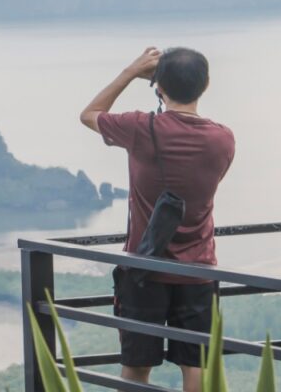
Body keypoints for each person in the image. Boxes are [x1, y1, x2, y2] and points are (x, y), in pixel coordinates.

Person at [80, 46, 235, 392]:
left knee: (136, 369)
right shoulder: (222, 138)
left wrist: (130, 71)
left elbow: (90, 114)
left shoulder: (140, 128)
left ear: (158, 87)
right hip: (198, 272)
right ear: (205, 85)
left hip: (144, 271)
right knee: (197, 368)